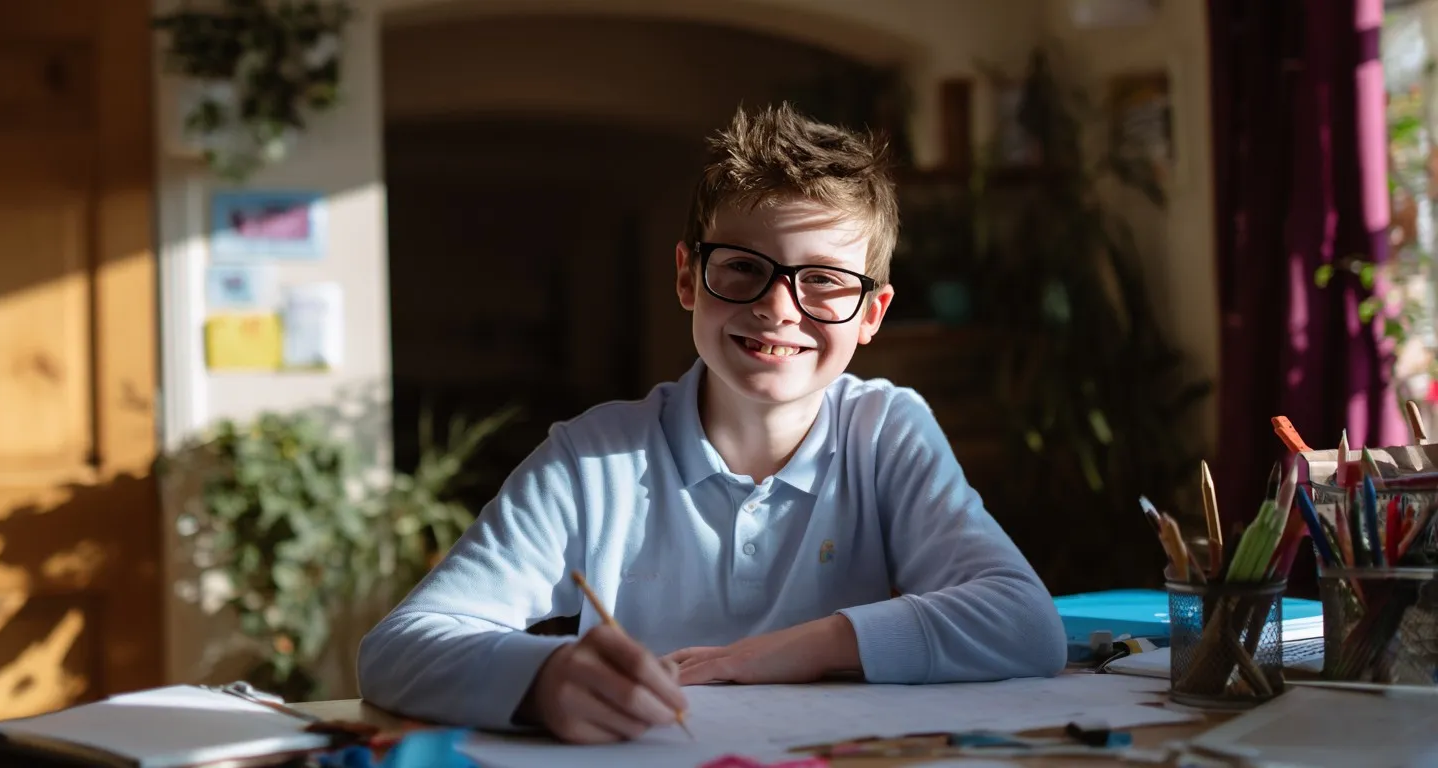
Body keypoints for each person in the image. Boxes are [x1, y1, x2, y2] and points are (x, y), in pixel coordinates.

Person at [357, 103, 1067, 745]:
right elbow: (396, 649)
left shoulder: (885, 431)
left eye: (823, 280)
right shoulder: (592, 459)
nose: (780, 308)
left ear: (872, 314)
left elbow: (1024, 623)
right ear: (688, 278)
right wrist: (543, 679)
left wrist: (777, 652)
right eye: (743, 268)